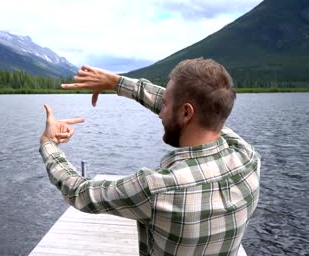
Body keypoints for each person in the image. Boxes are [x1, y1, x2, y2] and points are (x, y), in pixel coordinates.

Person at [39, 58, 260, 255]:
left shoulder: (158, 188)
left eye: (164, 105)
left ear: (186, 113)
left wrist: (48, 144)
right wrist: (117, 83)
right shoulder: (247, 156)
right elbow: (199, 108)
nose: (161, 113)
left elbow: (79, 191)